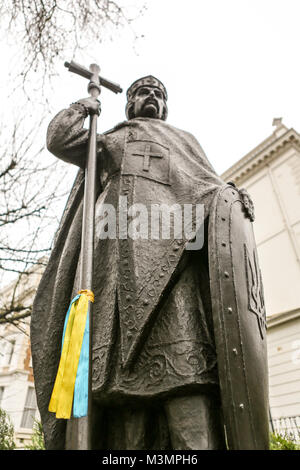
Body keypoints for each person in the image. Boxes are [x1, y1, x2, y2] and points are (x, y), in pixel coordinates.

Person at [31, 76, 228, 450]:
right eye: (142, 92)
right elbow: (60, 140)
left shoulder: (185, 144)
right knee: (124, 412)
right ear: (129, 104)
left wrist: (233, 201)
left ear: (165, 107)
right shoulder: (111, 140)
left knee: (188, 380)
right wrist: (80, 109)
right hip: (116, 279)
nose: (151, 96)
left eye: (159, 93)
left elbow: (212, 192)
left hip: (175, 270)